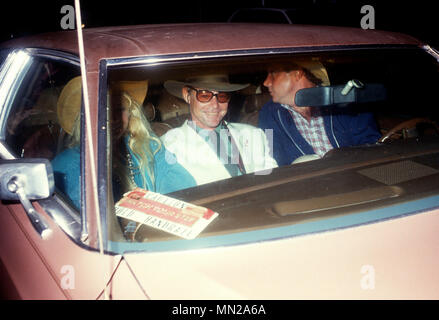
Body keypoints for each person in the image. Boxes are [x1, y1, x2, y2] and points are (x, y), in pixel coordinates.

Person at [51, 76, 196, 210]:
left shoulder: (148, 146)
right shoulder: (66, 165)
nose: (112, 119)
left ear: (131, 114)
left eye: (119, 110)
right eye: (102, 111)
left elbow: (183, 189)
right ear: (85, 117)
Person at [258, 59, 381, 166]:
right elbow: (270, 159)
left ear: (297, 73)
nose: (266, 82)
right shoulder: (268, 114)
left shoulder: (345, 103)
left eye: (273, 74)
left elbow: (371, 148)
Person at [162, 74, 278, 186]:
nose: (215, 105)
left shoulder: (254, 134)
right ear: (187, 96)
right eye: (204, 95)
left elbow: (272, 184)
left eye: (222, 96)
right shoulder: (168, 147)